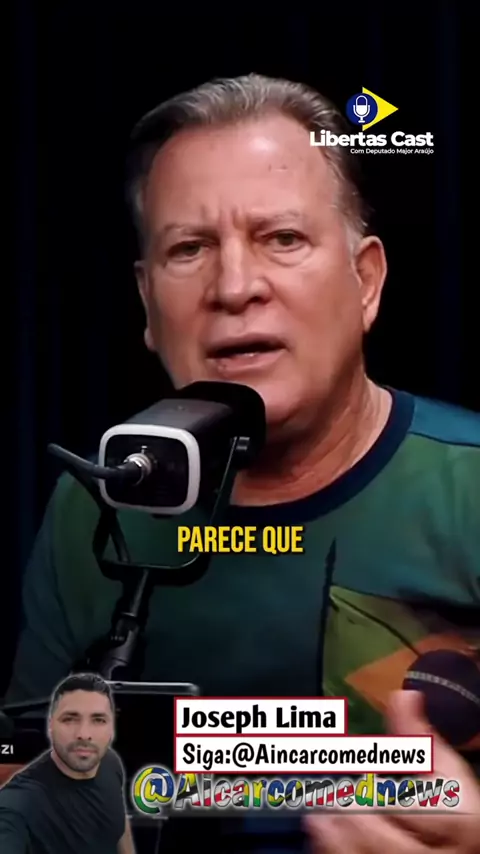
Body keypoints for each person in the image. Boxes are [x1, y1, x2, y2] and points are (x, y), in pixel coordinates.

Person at [3, 73, 480, 854]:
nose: (234, 287)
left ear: (365, 282)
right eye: (189, 249)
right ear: (147, 305)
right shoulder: (97, 506)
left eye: (282, 239)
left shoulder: (470, 489)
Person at [0, 672, 135, 853]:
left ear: (112, 727)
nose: (84, 734)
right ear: (50, 725)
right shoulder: (18, 805)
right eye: (70, 719)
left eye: (98, 720)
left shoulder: (109, 763)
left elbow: (119, 827)